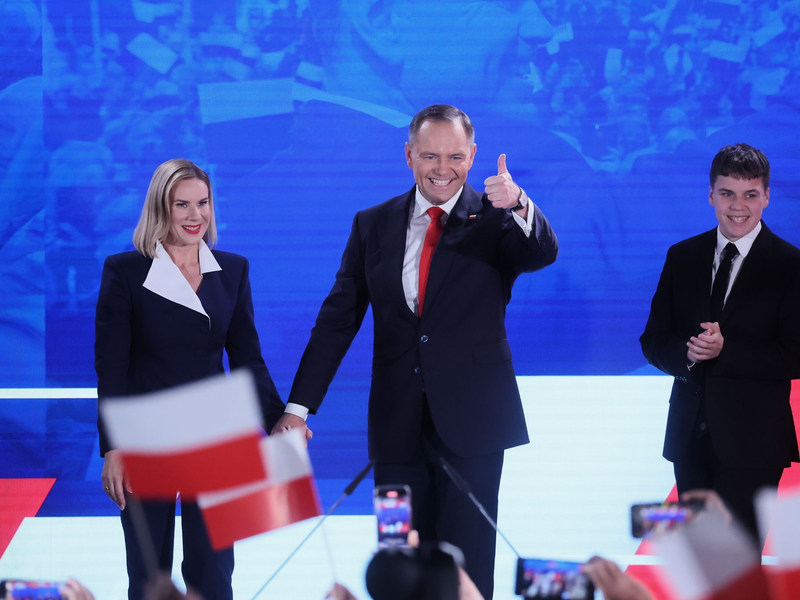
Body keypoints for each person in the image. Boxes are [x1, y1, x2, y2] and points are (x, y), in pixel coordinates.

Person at [271, 104, 558, 598]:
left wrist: (519, 203)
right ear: (408, 155)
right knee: (396, 564)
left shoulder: (497, 220)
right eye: (430, 156)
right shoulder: (372, 224)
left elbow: (542, 252)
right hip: (396, 430)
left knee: (467, 567)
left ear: (472, 157)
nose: (442, 168)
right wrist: (297, 409)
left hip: (474, 427)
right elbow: (337, 321)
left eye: (455, 157)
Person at [95, 159, 286, 600]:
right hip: (145, 438)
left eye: (203, 203)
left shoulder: (233, 270)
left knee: (214, 574)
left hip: (215, 434)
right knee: (150, 578)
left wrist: (278, 420)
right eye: (182, 204)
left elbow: (247, 359)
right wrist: (112, 447)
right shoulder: (125, 271)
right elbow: (111, 367)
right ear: (160, 208)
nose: (195, 215)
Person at [640, 143, 800, 546]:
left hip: (755, 445)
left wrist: (725, 351)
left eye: (750, 194)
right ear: (711, 194)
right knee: (696, 564)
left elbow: (795, 355)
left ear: (767, 196)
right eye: (727, 193)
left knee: (739, 566)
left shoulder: (791, 266)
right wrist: (688, 355)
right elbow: (653, 340)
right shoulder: (682, 257)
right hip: (689, 441)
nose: (738, 206)